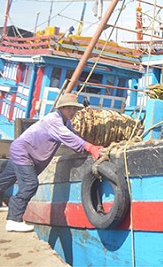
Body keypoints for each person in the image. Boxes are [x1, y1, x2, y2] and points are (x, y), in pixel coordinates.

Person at [0, 93, 103, 232]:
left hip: (23, 151)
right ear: (61, 108)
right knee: (30, 184)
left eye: (74, 109)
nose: (72, 112)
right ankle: (13, 220)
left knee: (5, 180)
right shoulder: (53, 120)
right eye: (69, 108)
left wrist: (87, 147)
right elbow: (67, 137)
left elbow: (73, 137)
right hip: (23, 152)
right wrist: (89, 147)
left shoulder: (66, 122)